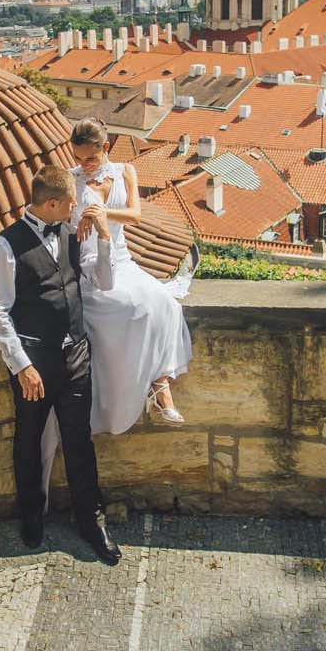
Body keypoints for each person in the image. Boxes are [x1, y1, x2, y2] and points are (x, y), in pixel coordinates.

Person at [0, 165, 122, 564]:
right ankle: (31, 515)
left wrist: (105, 238)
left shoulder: (72, 232)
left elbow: (104, 282)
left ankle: (91, 519)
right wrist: (21, 365)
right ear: (51, 203)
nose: (77, 205)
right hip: (35, 362)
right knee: (28, 439)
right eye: (70, 201)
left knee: (80, 439)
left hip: (76, 353)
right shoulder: (4, 247)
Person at [68, 117, 195, 431]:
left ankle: (159, 384)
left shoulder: (126, 171)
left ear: (106, 148)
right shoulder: (71, 180)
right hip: (91, 265)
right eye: (78, 158)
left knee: (165, 304)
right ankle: (152, 390)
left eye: (91, 158)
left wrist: (99, 212)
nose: (84, 165)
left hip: (122, 259)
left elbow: (134, 215)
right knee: (132, 308)